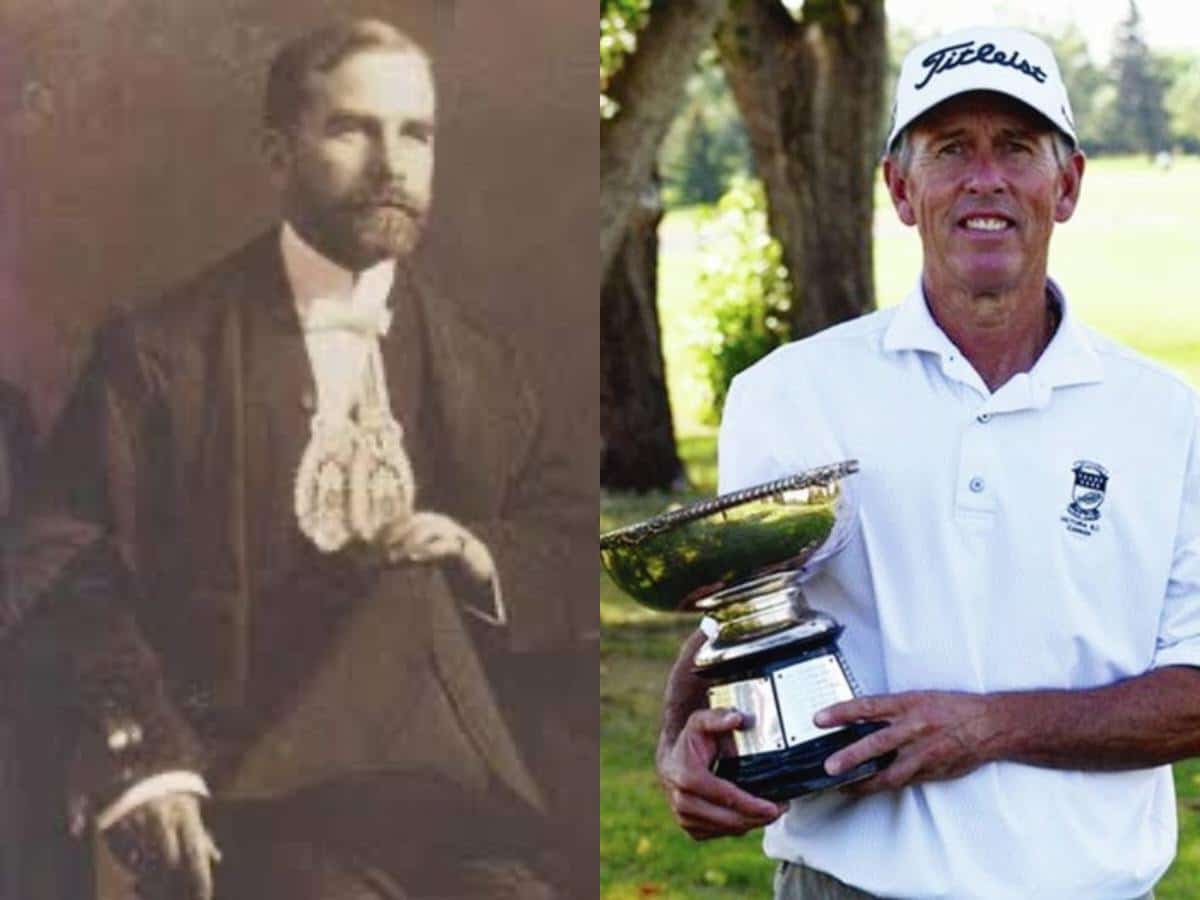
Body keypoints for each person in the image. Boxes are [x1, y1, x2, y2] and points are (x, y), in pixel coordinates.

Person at [30, 17, 590, 900]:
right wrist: (146, 761)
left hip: (457, 816)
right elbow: (66, 567)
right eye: (351, 128)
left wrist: (484, 559)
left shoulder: (484, 367)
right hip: (244, 810)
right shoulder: (161, 355)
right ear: (277, 151)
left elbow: (566, 538)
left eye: (415, 133)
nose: (391, 163)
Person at [656, 25, 1200, 900]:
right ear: (902, 189)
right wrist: (676, 742)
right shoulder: (789, 393)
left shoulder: (1165, 416)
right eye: (951, 149)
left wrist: (989, 726)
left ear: (1067, 185)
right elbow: (743, 620)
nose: (985, 179)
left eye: (1016, 147)